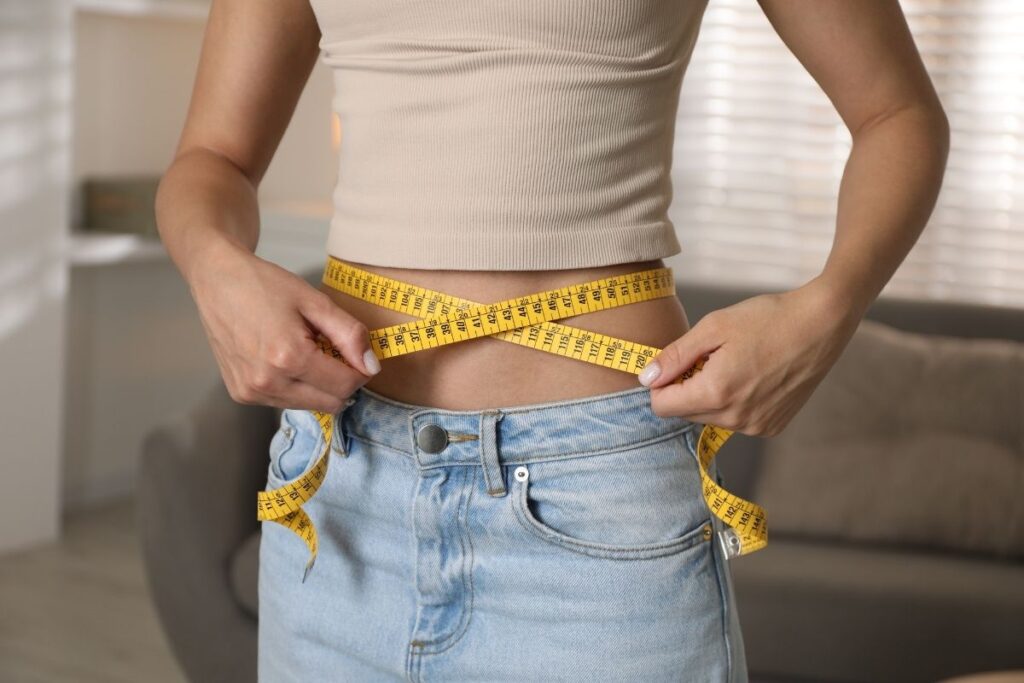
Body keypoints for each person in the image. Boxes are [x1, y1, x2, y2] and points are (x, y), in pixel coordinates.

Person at [154, 0, 949, 680]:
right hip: (341, 492)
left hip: (600, 496)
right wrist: (215, 267)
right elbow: (212, 159)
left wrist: (827, 309)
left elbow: (897, 115)